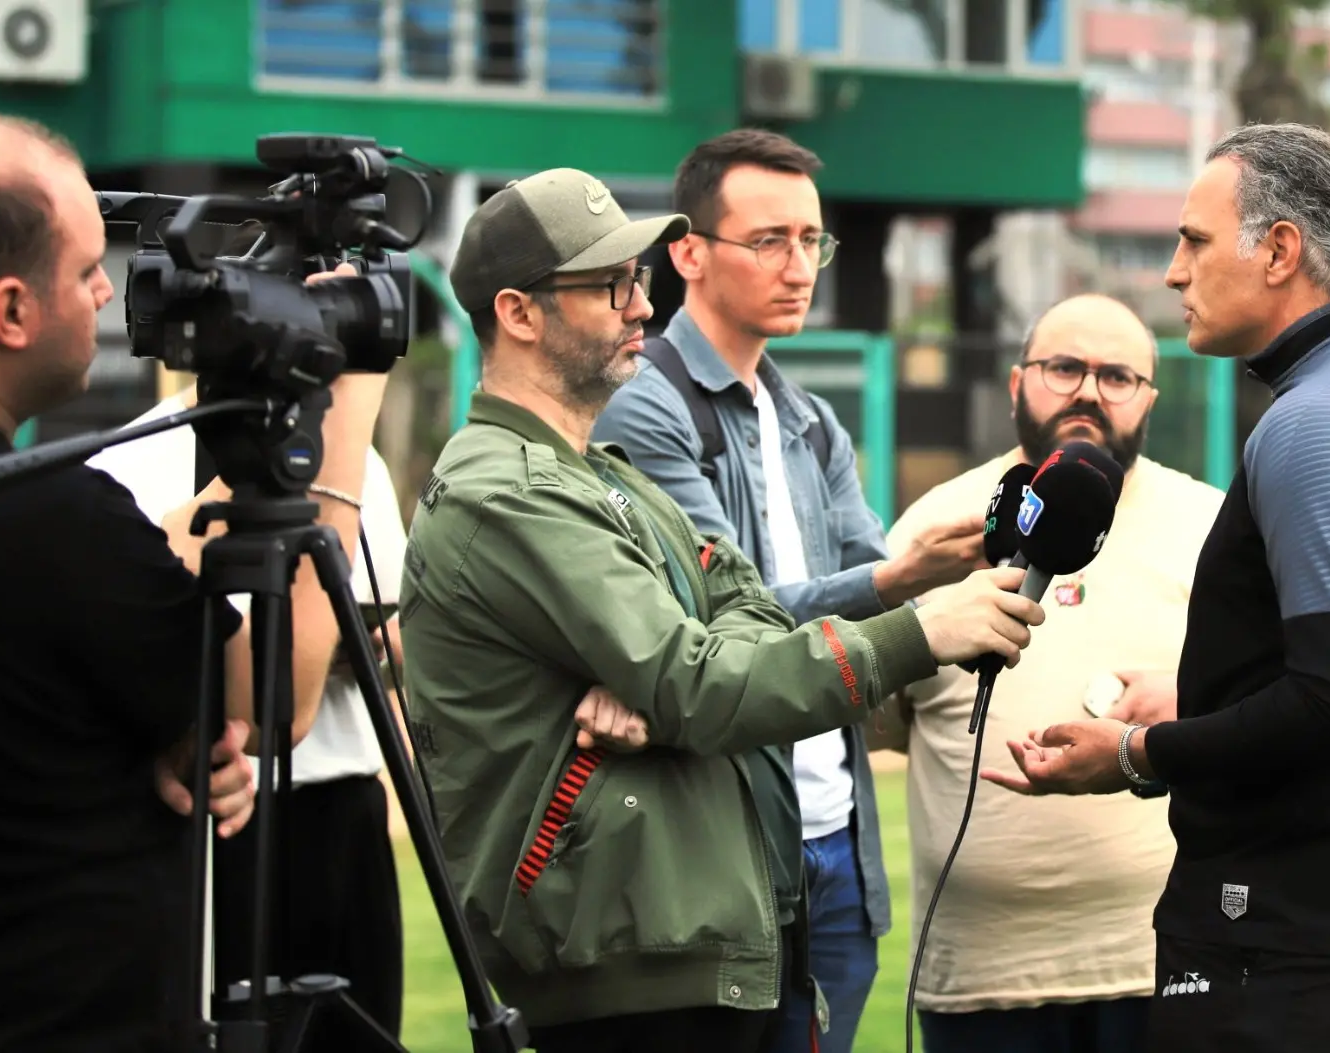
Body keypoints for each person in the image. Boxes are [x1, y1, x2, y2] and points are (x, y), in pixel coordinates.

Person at [398, 165, 1046, 1053]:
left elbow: (736, 609)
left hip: (676, 931)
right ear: (517, 313)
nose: (640, 305)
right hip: (624, 960)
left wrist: (678, 670)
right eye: (611, 284)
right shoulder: (507, 494)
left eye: (637, 279)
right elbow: (697, 677)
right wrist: (921, 631)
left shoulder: (598, 472)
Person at [980, 123, 1330, 1053]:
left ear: (1280, 250)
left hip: (1272, 939)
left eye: (1194, 240)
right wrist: (1204, 699)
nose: (1171, 271)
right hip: (1316, 929)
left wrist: (1137, 752)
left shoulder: (1316, 424)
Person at [0, 115, 386, 1052]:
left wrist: (148, 736)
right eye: (83, 272)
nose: (110, 292)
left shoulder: (63, 528)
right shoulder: (57, 523)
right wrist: (344, 399)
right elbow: (273, 700)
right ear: (11, 311)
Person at [592, 128, 986, 1052]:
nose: (798, 263)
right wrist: (903, 577)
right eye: (769, 239)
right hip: (721, 842)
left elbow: (874, 598)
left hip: (837, 836)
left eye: (812, 240)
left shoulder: (809, 418)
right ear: (687, 251)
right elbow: (729, 622)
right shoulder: (646, 401)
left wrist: (956, 570)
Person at [869, 293, 1224, 1053]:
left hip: (1164, 962)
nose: (1090, 391)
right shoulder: (941, 525)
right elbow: (881, 716)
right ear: (1016, 383)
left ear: (1150, 397)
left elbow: (1270, 711)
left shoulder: (1213, 525)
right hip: (981, 978)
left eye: (1118, 375)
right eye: (1064, 368)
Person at [87, 382, 409, 1051]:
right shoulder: (132, 458)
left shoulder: (353, 451)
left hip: (346, 800)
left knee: (363, 1029)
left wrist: (376, 642)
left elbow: (395, 608)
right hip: (230, 811)